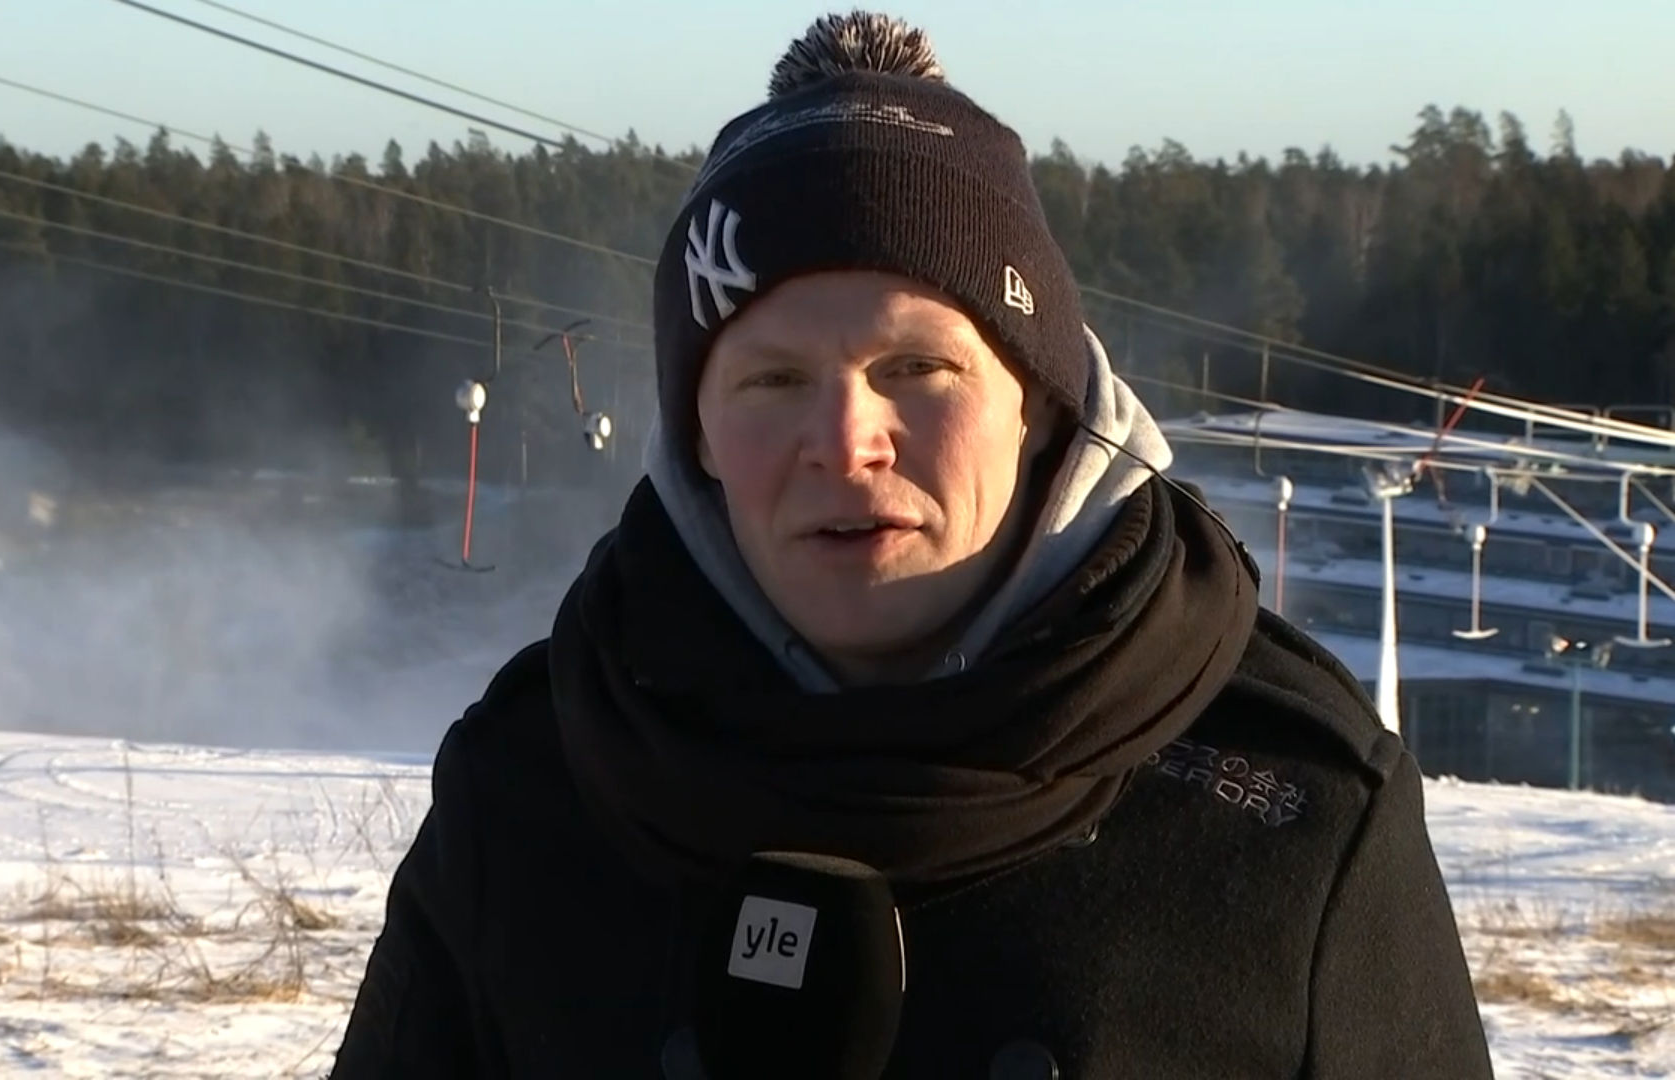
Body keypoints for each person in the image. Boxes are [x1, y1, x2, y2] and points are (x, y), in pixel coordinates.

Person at [331, 11, 1494, 1078]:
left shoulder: (1295, 815)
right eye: (774, 379)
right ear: (698, 433)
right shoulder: (533, 785)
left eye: (917, 368)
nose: (846, 443)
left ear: (1040, 404)